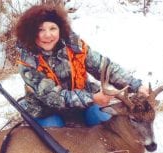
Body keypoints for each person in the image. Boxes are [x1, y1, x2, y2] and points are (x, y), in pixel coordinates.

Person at [14, 4, 149, 127]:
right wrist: (92, 98)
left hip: (83, 103)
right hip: (47, 109)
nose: (48, 35)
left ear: (60, 29)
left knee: (105, 123)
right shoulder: (27, 62)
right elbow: (52, 97)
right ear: (31, 33)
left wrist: (136, 86)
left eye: (53, 28)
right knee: (56, 131)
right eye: (40, 29)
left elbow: (104, 67)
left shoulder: (75, 47)